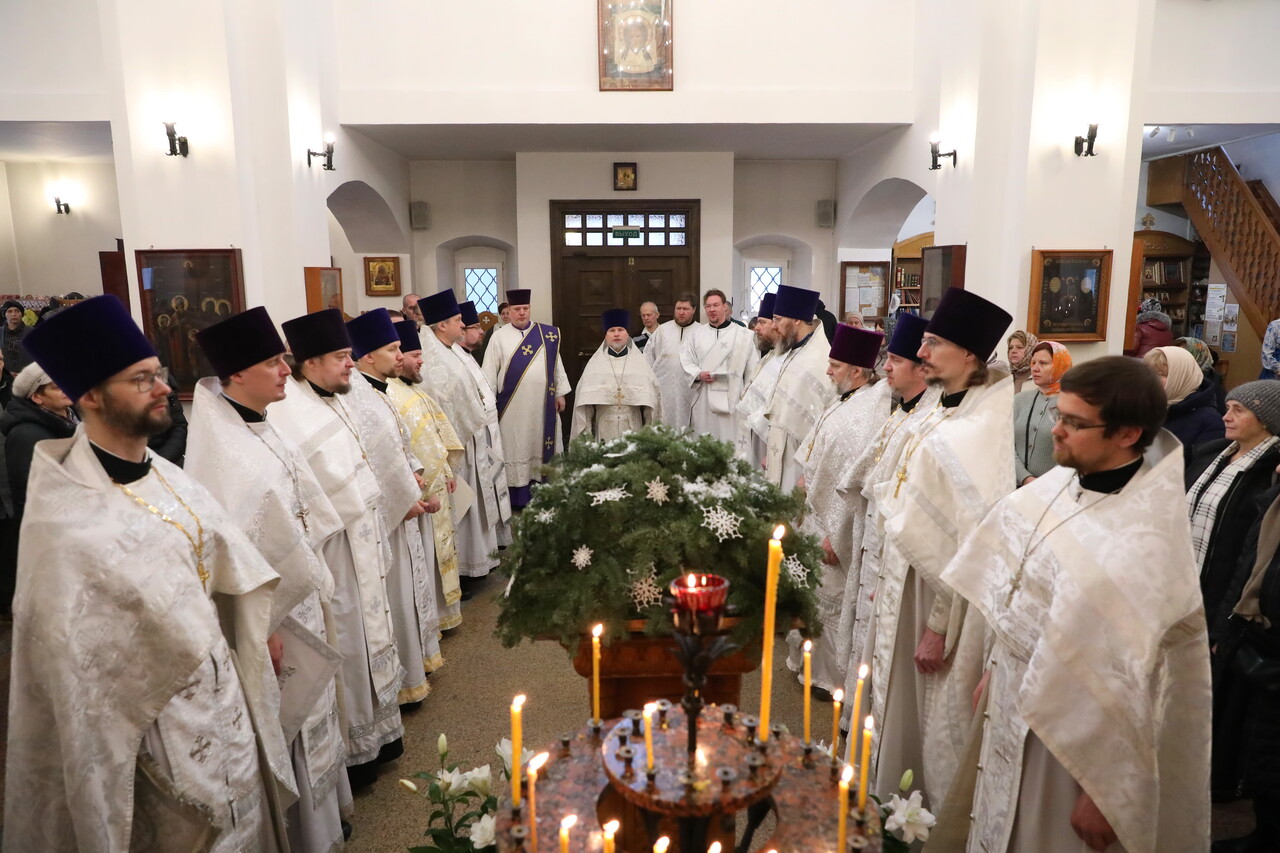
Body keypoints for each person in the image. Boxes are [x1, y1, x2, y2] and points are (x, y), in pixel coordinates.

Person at [7, 295, 295, 850]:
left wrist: (258, 628)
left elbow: (222, 564)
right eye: (141, 380)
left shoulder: (166, 475)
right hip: (157, 731)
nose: (163, 387)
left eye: (157, 373)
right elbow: (78, 684)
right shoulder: (65, 526)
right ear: (90, 396)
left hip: (224, 699)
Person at [943, 356, 1210, 853]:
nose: (1056, 430)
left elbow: (1153, 683)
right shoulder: (1061, 485)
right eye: (1058, 414)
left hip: (1077, 749)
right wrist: (998, 668)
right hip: (1011, 700)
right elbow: (1026, 594)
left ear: (1127, 434)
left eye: (1073, 421)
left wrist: (1107, 791)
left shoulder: (1147, 543)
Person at [189, 306, 353, 852]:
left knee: (317, 708)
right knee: (293, 718)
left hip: (300, 598)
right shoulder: (223, 454)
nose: (286, 369)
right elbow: (229, 558)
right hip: (273, 619)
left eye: (284, 359)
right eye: (272, 362)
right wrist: (266, 627)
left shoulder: (261, 424)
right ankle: (306, 835)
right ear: (237, 373)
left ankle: (326, 822)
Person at [867, 287, 1014, 812]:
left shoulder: (980, 428)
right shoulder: (941, 408)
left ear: (969, 354)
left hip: (931, 596)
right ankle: (886, 798)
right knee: (893, 697)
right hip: (902, 579)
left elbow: (972, 545)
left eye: (933, 343)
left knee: (920, 705)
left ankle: (913, 813)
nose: (921, 352)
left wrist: (938, 626)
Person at [271, 308, 406, 789]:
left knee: (369, 632)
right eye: (341, 356)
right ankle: (356, 747)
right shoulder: (291, 413)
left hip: (361, 540)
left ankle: (381, 732)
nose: (351, 364)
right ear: (310, 363)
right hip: (335, 550)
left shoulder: (336, 399)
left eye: (350, 355)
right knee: (348, 635)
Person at [840, 313, 939, 724]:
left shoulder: (927, 422)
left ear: (921, 369)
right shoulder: (899, 413)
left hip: (894, 551)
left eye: (896, 360)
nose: (885, 368)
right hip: (872, 540)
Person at [788, 324, 890, 696]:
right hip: (815, 514)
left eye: (835, 365)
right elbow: (818, 451)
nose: (828, 371)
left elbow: (855, 484)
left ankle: (828, 678)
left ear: (857, 371)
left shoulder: (870, 412)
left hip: (835, 524)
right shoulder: (843, 399)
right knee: (810, 594)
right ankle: (805, 663)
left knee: (830, 598)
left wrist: (836, 534)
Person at [346, 308, 440, 706]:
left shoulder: (378, 391)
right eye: (392, 349)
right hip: (390, 516)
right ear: (368, 356)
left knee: (409, 590)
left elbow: (399, 446)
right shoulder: (360, 398)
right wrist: (406, 497)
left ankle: (416, 665)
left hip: (405, 506)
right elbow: (370, 460)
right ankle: (404, 678)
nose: (400, 356)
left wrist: (414, 475)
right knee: (397, 594)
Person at [421, 289, 511, 577]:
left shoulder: (452, 351)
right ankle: (464, 569)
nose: (463, 324)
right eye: (458, 320)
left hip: (472, 439)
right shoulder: (433, 359)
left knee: (475, 503)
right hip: (456, 446)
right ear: (442, 325)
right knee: (463, 507)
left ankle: (481, 559)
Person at [1211, 477, 1280, 851]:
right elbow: (1247, 568)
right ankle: (1263, 834)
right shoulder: (1274, 499)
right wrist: (1225, 629)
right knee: (1261, 751)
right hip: (1259, 635)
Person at [388, 317, 465, 632]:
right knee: (424, 560)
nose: (422, 361)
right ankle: (430, 622)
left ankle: (442, 616)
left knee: (437, 554)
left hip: (435, 486)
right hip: (419, 494)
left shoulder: (412, 390)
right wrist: (427, 486)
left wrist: (446, 469)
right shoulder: (393, 394)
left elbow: (434, 436)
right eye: (415, 355)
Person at [1185, 380, 1280, 628]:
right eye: (1228, 408)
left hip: (1220, 600)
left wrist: (1224, 624)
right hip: (1182, 584)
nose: (1226, 417)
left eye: (1238, 410)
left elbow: (1250, 557)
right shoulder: (1210, 455)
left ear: (1265, 419)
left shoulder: (1270, 473)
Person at [481, 288, 571, 509]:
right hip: (512, 407)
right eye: (517, 309)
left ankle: (546, 491)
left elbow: (557, 364)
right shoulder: (498, 337)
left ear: (530, 309)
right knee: (516, 446)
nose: (522, 313)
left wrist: (560, 392)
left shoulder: (547, 335)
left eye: (525, 308)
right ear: (509, 311)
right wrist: (488, 404)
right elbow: (489, 372)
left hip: (543, 404)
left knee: (540, 443)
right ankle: (517, 497)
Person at [0, 363, 78, 613]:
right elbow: (29, 494)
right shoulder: (26, 434)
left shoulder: (70, 421)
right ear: (37, 397)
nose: (66, 388)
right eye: (56, 387)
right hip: (54, 533)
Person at [761, 284, 832, 492]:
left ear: (797, 320)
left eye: (778, 319)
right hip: (780, 451)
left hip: (799, 463)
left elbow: (822, 425)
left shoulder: (817, 360)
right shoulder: (793, 352)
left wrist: (808, 472)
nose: (774, 326)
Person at [571, 308, 661, 440]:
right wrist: (587, 439)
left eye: (620, 330)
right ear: (606, 336)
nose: (616, 334)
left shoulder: (641, 365)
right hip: (604, 426)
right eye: (612, 330)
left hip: (633, 427)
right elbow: (584, 407)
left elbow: (652, 406)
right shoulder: (594, 366)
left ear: (627, 334)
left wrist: (649, 436)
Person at [682, 289, 758, 443]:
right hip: (704, 400)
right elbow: (686, 360)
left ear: (725, 307)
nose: (712, 309)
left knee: (730, 441)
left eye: (716, 305)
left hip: (733, 399)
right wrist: (698, 374)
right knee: (705, 441)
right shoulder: (696, 335)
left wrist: (748, 399)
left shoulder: (742, 334)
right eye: (708, 306)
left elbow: (753, 369)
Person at [1145, 345, 1226, 452]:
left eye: (1160, 374)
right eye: (1149, 373)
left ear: (1181, 377)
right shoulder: (1142, 409)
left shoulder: (1210, 422)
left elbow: (1202, 462)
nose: (1152, 379)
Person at [1013, 340, 1072, 486]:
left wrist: (1043, 485)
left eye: (1043, 363)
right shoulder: (1019, 400)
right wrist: (1026, 478)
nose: (1035, 368)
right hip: (1015, 487)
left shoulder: (1072, 403)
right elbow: (1006, 445)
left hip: (1054, 489)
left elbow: (1073, 451)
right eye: (1033, 363)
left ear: (1060, 365)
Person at [734, 292, 780, 469]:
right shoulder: (770, 355)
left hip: (769, 440)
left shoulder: (784, 360)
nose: (757, 328)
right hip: (755, 436)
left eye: (762, 322)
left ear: (776, 325)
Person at [645, 292, 701, 428]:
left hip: (691, 391)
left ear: (694, 310)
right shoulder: (662, 331)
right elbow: (648, 358)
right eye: (678, 308)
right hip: (664, 390)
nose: (681, 312)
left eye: (685, 309)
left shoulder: (701, 332)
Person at [1177, 335, 1227, 413]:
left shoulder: (1210, 382)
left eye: (1184, 354)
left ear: (1197, 356)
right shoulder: (1176, 374)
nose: (1178, 358)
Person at [1, 299, 32, 376]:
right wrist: (6, 373)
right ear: (4, 314)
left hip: (29, 376)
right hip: (4, 377)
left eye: (17, 311)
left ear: (22, 314)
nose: (13, 314)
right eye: (9, 311)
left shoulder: (32, 332)